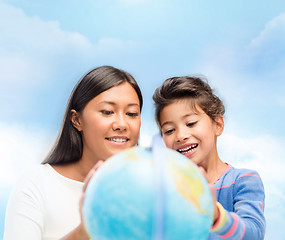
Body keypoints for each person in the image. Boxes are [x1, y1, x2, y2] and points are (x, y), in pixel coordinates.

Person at [4, 65, 143, 240]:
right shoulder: (37, 185)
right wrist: (83, 233)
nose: (122, 124)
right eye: (107, 112)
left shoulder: (151, 192)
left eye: (131, 113)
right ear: (77, 120)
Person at [152, 76, 265, 239]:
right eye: (169, 130)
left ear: (218, 125)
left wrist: (217, 216)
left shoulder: (243, 180)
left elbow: (254, 233)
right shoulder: (165, 190)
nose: (181, 136)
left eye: (191, 123)